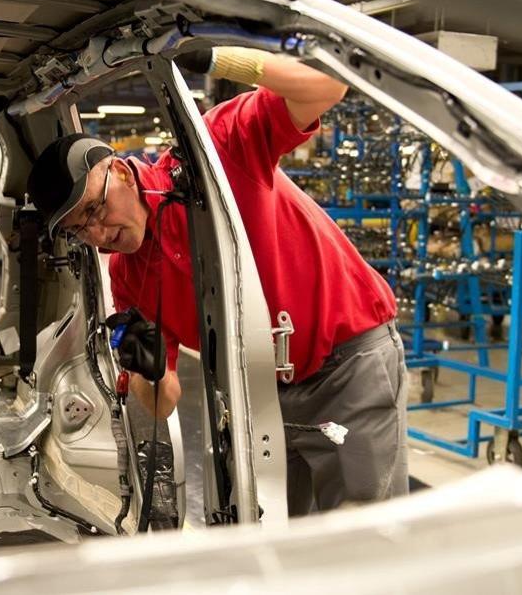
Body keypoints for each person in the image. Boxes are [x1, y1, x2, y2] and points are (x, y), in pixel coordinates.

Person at [26, 47, 407, 515]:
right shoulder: (129, 279)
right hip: (263, 392)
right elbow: (163, 404)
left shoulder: (215, 151)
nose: (99, 234)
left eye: (95, 209)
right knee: (287, 542)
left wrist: (215, 57)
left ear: (121, 172)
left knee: (363, 536)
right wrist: (144, 368)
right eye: (79, 229)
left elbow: (328, 86)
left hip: (347, 365)